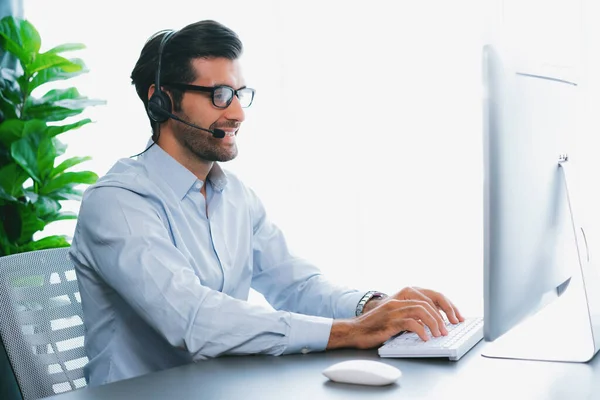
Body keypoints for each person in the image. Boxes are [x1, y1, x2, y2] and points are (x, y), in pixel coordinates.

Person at [69, 19, 465, 387]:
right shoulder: (118, 204)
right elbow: (194, 319)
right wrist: (349, 333)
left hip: (216, 388)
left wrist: (374, 307)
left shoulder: (234, 195)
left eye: (240, 94)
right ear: (163, 101)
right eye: (219, 95)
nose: (238, 113)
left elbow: (295, 284)